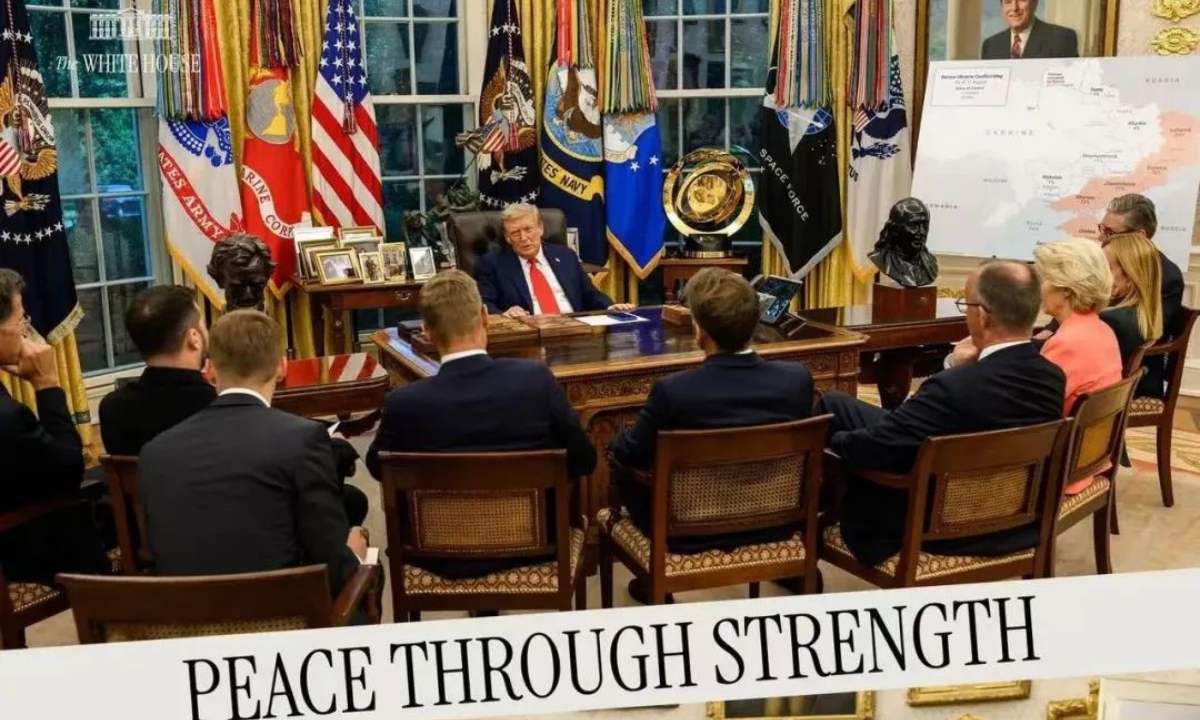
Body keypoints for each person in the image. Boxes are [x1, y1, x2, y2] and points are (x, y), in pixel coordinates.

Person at [817, 260, 1065, 566]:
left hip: (938, 523)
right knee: (836, 403)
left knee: (833, 427)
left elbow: (875, 448)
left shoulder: (953, 388)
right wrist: (956, 365)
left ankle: (808, 529)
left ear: (983, 315)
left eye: (967, 305)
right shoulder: (1052, 377)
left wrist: (837, 442)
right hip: (1013, 517)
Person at [366, 270, 596, 579]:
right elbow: (584, 459)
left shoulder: (404, 403)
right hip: (537, 547)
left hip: (436, 555)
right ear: (485, 316)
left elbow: (377, 467)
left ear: (427, 332)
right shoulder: (535, 380)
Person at [139, 310, 367, 596]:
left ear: (210, 372)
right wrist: (354, 555)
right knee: (366, 573)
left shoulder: (154, 452)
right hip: (280, 626)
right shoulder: (303, 439)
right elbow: (333, 568)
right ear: (282, 367)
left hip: (187, 627)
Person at [99, 285, 369, 525]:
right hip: (247, 526)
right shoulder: (221, 404)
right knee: (350, 500)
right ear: (193, 338)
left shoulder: (111, 409)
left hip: (159, 535)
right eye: (203, 325)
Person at [610, 268, 814, 552]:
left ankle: (654, 585)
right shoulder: (796, 380)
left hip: (683, 536)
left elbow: (632, 453)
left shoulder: (674, 391)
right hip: (774, 526)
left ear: (699, 331)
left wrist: (615, 443)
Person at [0, 269, 108, 583]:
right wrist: (47, 385)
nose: (25, 330)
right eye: (20, 321)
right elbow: (68, 469)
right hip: (19, 548)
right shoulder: (7, 416)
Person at [1033, 239, 1123, 495]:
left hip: (1060, 471)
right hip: (1088, 461)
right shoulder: (1102, 330)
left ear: (1066, 291)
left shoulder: (1067, 343)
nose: (1040, 288)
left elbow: (1032, 413)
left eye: (1045, 280)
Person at [475, 203, 635, 317]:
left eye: (528, 229)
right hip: (531, 336)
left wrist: (610, 306)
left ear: (541, 228)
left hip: (574, 331)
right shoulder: (492, 264)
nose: (524, 238)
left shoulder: (566, 256)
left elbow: (590, 294)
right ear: (507, 237)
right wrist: (505, 314)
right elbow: (484, 305)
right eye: (515, 233)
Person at [1099, 193, 1183, 341]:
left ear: (1139, 236)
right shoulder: (1105, 259)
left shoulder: (1168, 277)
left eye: (1110, 232)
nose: (1100, 237)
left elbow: (1149, 332)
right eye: (1102, 229)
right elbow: (1082, 298)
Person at [1100, 231, 1164, 398]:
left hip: (1107, 402)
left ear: (1130, 276)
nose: (1097, 273)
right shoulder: (1140, 314)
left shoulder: (1111, 321)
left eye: (1104, 267)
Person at [980, 0, 1079, 60]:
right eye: (1008, 2)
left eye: (1021, 0)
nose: (1014, 8)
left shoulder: (1061, 39)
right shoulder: (990, 45)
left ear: (1035, 3)